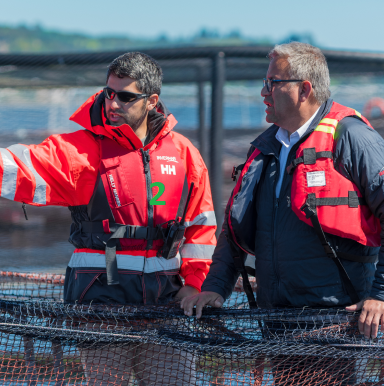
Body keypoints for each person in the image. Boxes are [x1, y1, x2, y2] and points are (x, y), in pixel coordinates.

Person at [0, 52, 216, 384]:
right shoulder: (82, 152)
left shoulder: (184, 152)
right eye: (108, 93)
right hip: (100, 303)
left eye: (126, 97)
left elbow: (201, 228)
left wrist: (193, 285)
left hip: (167, 304)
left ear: (151, 100)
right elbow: (20, 166)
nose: (114, 103)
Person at [181, 42, 384, 384]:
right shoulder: (264, 150)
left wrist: (380, 297)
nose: (264, 92)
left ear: (304, 89)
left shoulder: (351, 137)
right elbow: (236, 229)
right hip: (277, 322)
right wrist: (216, 287)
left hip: (335, 324)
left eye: (273, 83)